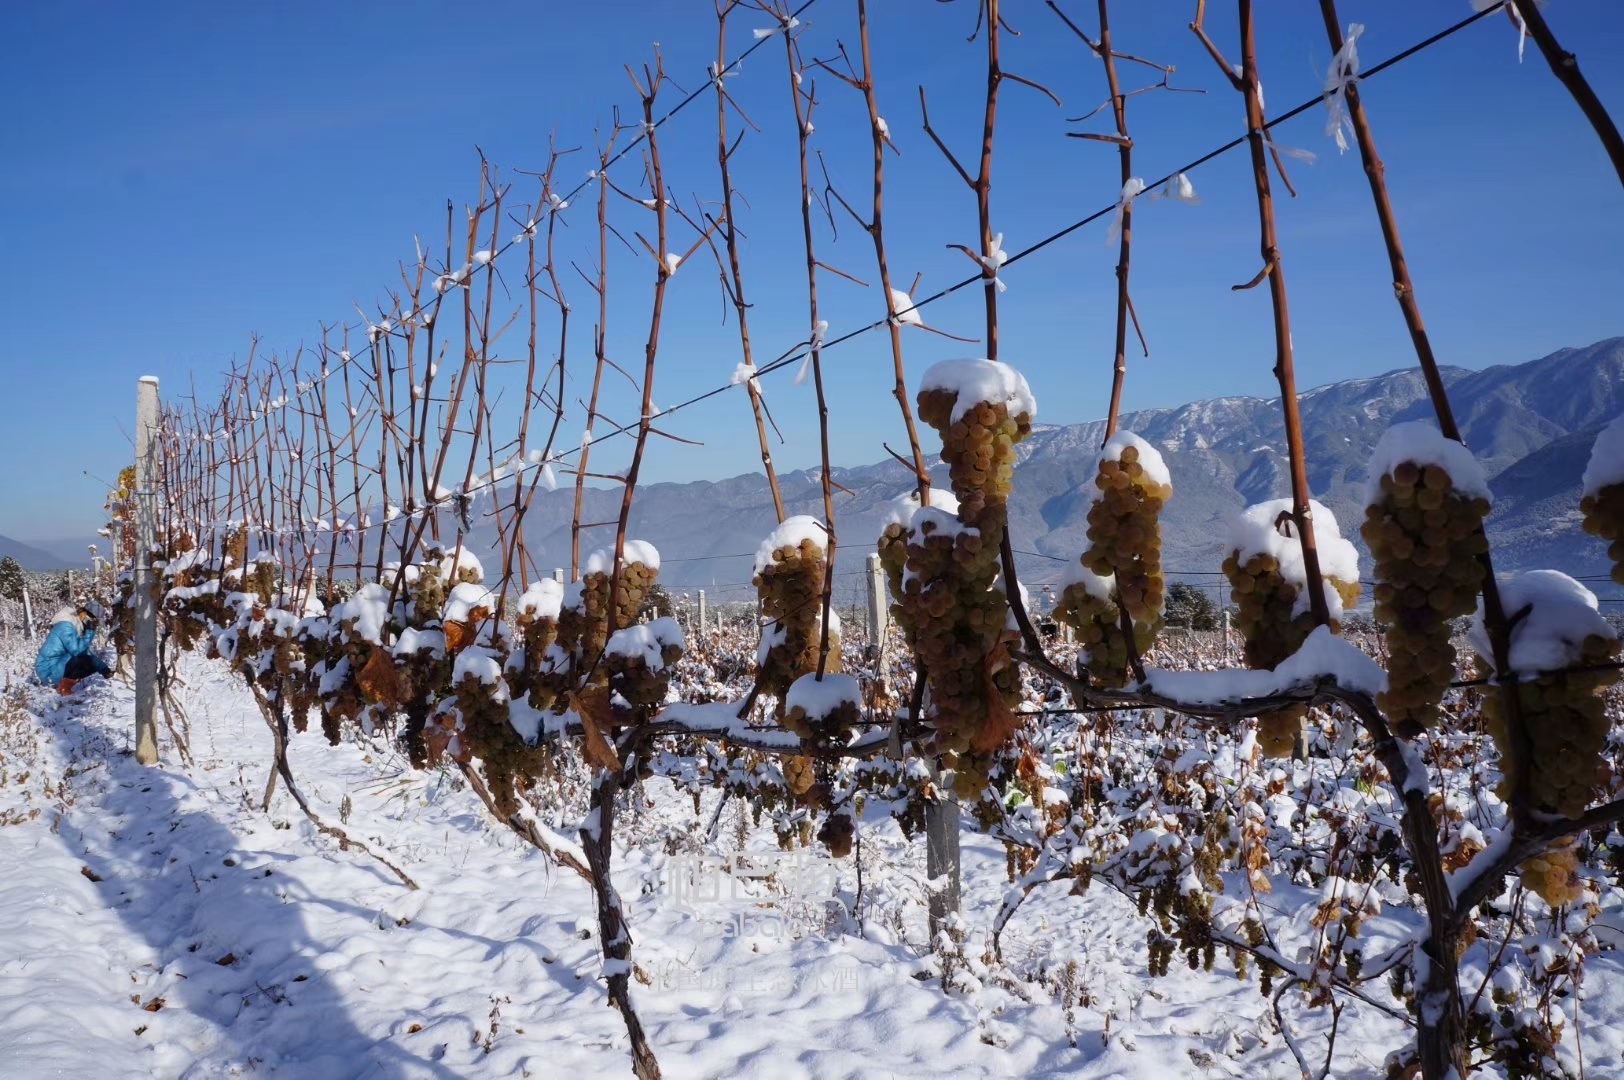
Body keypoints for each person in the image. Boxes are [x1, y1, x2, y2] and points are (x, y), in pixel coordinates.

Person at [34, 600, 113, 695]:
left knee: (90, 663)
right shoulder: (65, 626)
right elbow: (76, 651)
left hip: (59, 664)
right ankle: (63, 687)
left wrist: (105, 670)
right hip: (48, 668)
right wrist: (89, 632)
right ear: (84, 614)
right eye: (93, 621)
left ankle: (67, 684)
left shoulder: (77, 627)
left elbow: (85, 653)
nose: (93, 624)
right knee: (79, 660)